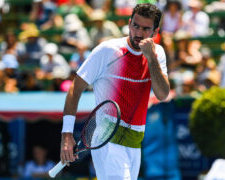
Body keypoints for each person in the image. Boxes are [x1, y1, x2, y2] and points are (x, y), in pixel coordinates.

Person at [60, 3, 169, 179]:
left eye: (146, 29)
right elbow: (75, 89)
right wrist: (66, 135)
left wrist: (150, 58)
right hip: (107, 138)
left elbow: (162, 94)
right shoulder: (108, 50)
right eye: (135, 26)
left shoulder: (158, 54)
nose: (139, 33)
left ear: (155, 32)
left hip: (134, 142)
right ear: (129, 23)